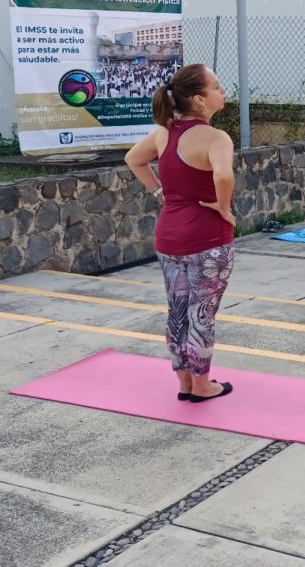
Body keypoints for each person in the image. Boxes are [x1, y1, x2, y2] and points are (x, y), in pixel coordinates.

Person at [123, 64, 236, 403]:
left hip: (169, 237)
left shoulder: (163, 132)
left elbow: (133, 159)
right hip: (206, 239)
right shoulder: (216, 138)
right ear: (200, 100)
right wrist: (224, 207)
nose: (223, 91)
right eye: (217, 86)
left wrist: (160, 193)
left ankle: (185, 383)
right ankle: (203, 385)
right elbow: (224, 176)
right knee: (202, 312)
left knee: (177, 310)